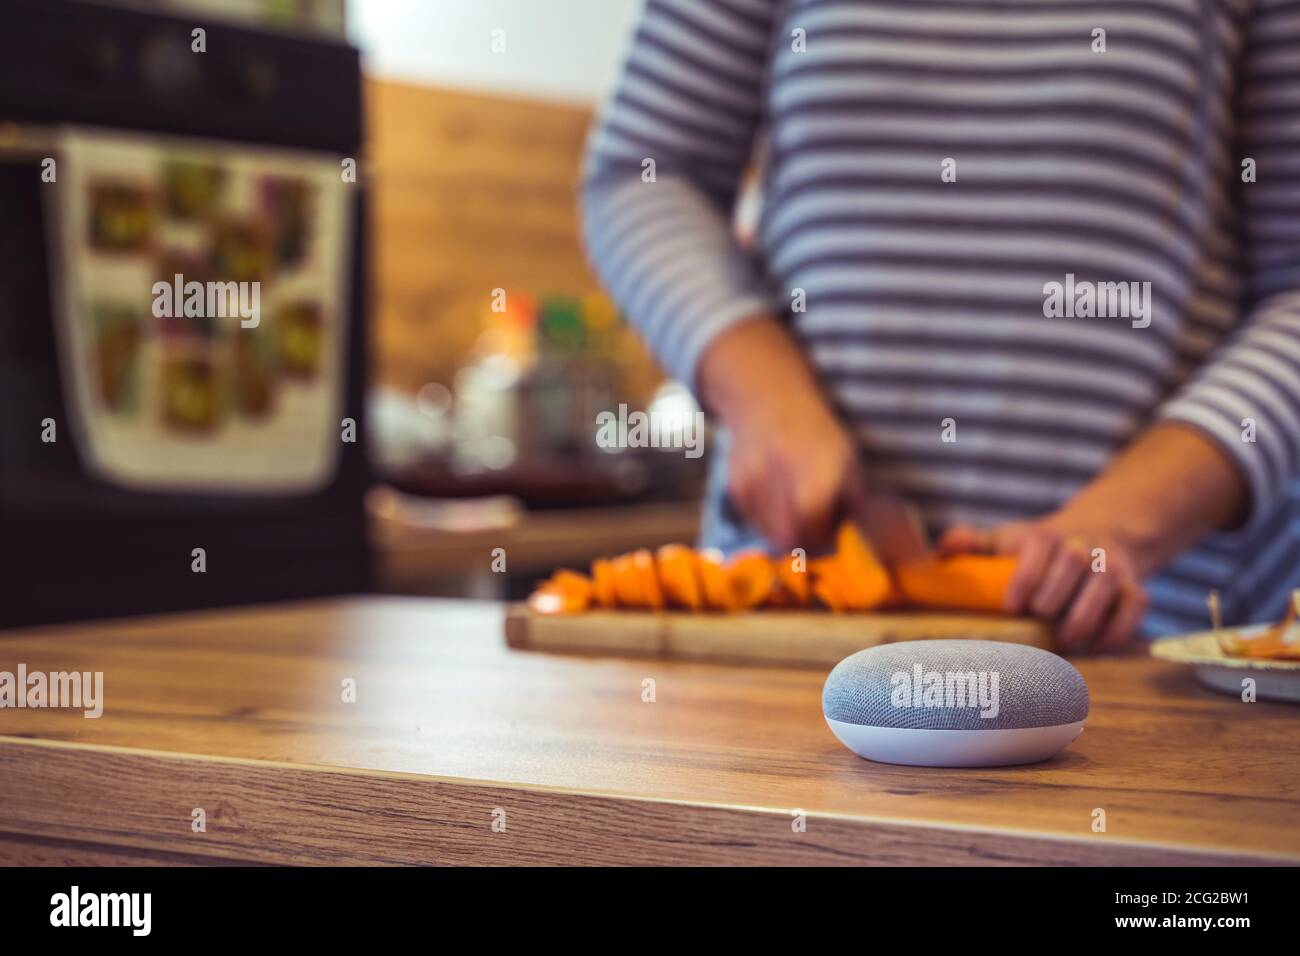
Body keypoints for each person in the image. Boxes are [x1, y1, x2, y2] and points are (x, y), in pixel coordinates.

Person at [581, 0, 1300, 650]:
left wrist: (1121, 525)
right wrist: (767, 405)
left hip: (1146, 631)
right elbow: (644, 175)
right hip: (792, 613)